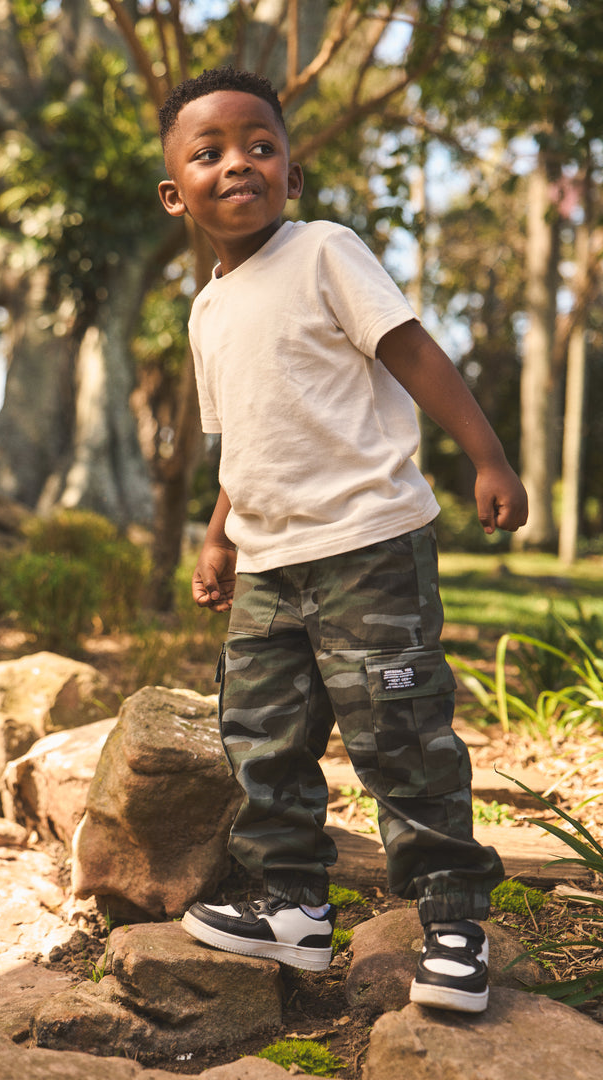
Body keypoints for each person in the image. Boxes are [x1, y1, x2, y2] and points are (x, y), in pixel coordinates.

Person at [157, 66, 528, 1015]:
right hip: (271, 562)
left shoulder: (325, 251)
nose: (238, 162)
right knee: (262, 740)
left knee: (400, 736)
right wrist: (219, 539)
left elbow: (412, 352)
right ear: (176, 193)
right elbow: (243, 437)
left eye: (260, 146)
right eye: (210, 153)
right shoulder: (206, 309)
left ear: (292, 173)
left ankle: (451, 926)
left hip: (368, 544)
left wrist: (486, 454)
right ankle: (294, 910)